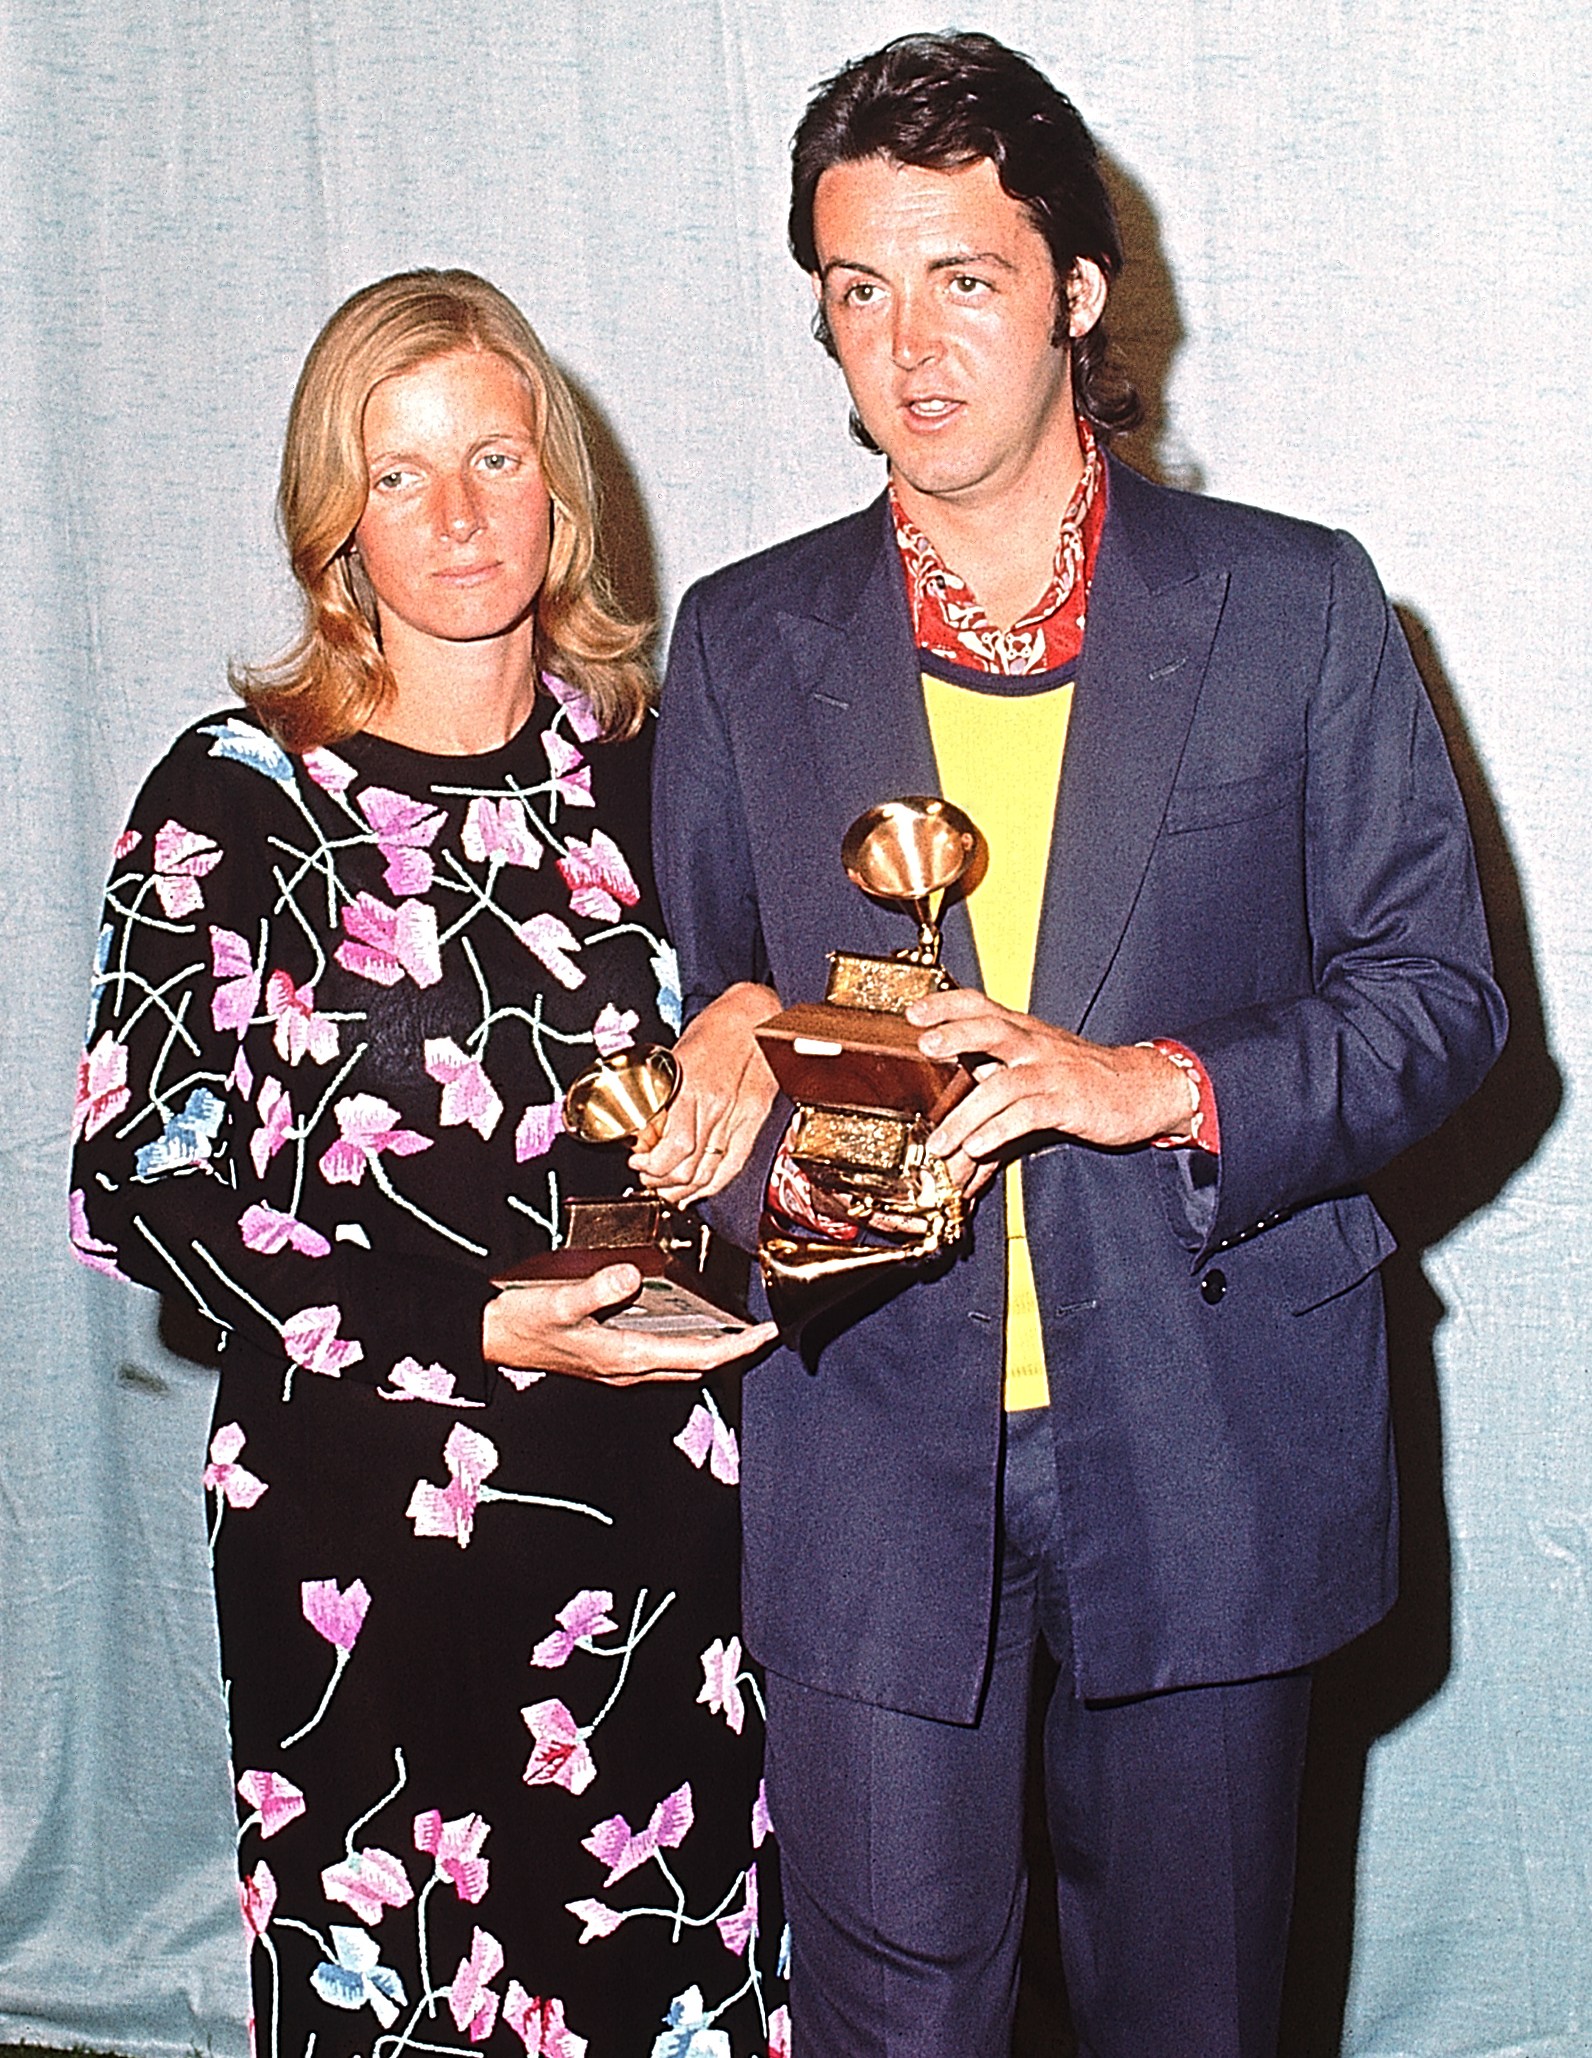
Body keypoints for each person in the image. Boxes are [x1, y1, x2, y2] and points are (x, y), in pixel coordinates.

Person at [652, 33, 1506, 2057]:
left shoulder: (1295, 608)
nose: (906, 344)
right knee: (890, 2024)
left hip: (1210, 1438)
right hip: (865, 1444)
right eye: (857, 289)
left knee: (1191, 2017)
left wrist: (1159, 1086)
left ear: (1079, 294)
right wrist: (731, 1027)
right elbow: (706, 995)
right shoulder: (742, 641)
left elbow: (1442, 996)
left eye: (962, 277)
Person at [71, 270, 788, 2058]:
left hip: (662, 1535)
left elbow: (834, 1051)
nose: (460, 514)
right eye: (400, 475)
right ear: (335, 518)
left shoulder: (666, 777)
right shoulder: (235, 800)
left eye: (494, 454)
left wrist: (759, 1008)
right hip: (361, 1537)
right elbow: (136, 1188)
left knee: (663, 1996)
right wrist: (483, 1322)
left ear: (563, 483)